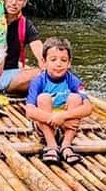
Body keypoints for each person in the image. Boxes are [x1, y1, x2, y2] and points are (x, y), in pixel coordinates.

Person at [24, 37, 93, 165]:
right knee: (43, 98)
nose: (58, 64)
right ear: (44, 62)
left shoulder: (73, 80)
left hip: (66, 124)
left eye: (63, 60)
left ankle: (66, 145)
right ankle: (51, 145)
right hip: (44, 126)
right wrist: (53, 118)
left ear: (69, 63)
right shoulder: (38, 81)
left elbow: (88, 107)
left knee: (76, 98)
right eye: (53, 60)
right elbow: (29, 111)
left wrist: (63, 117)